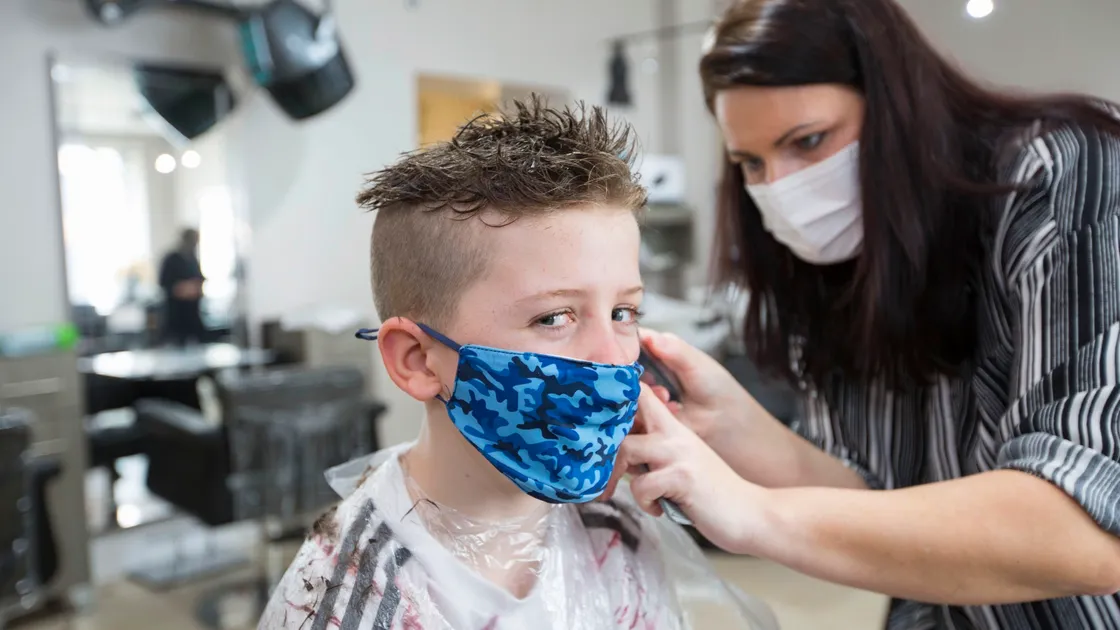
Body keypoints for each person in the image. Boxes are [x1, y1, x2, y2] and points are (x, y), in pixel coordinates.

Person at [611, 1, 1120, 629]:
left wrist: (751, 513)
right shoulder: (828, 265)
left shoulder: (1063, 174)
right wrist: (734, 428)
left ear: (894, 103)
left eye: (809, 141)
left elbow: (1089, 524)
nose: (782, 190)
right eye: (752, 164)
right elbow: (878, 501)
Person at [259, 100, 762, 630]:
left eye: (622, 312)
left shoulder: (616, 528)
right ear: (418, 360)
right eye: (553, 317)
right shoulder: (351, 604)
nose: (614, 358)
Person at [157, 228, 206, 346]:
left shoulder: (192, 259)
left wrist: (196, 288)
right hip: (176, 317)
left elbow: (199, 279)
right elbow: (164, 283)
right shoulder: (171, 259)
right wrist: (183, 288)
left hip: (193, 316)